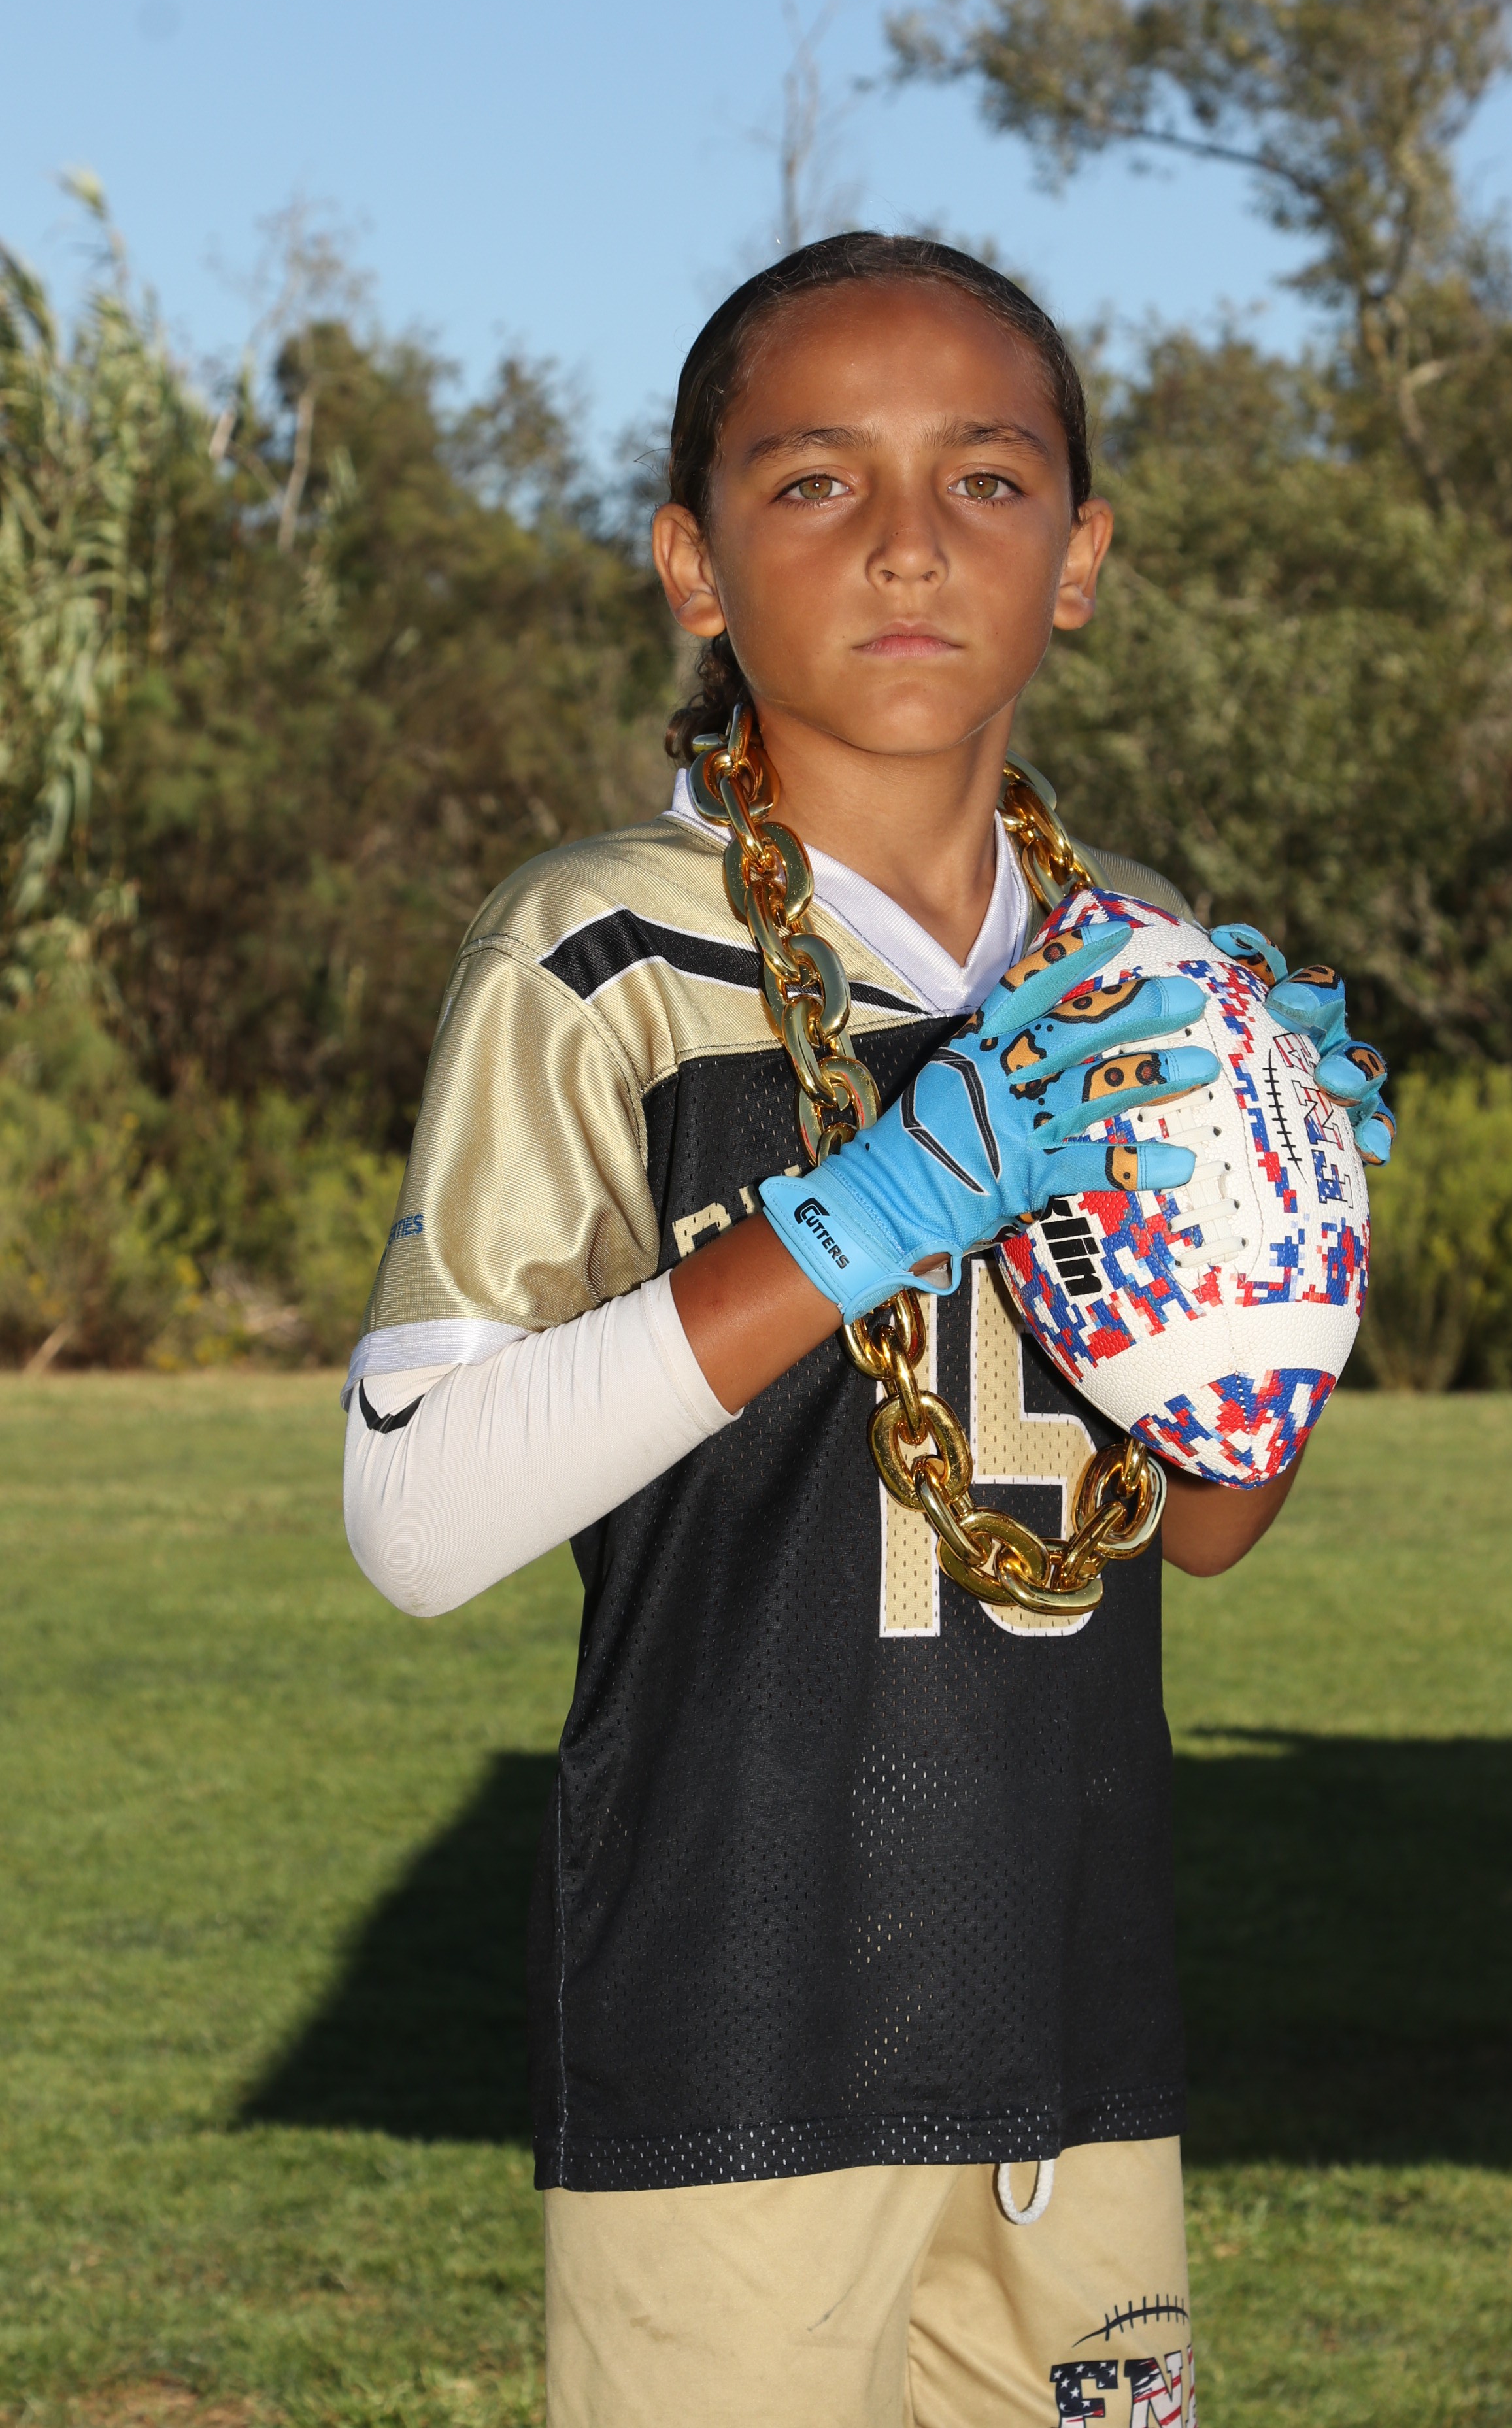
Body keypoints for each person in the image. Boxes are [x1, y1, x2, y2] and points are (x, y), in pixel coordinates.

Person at [343, 233, 1375, 2428]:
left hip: (1073, 2037)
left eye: (986, 480)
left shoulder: (1142, 964)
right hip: (734, 2030)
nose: (910, 544)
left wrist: (1288, 1263)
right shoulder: (600, 951)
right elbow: (416, 1524)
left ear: (1078, 560)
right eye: (816, 482)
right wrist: (874, 1211)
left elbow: (1202, 1530)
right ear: (691, 564)